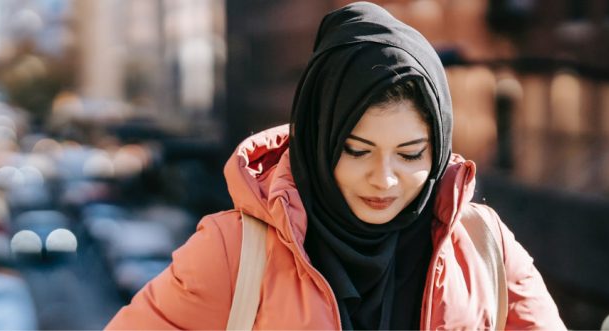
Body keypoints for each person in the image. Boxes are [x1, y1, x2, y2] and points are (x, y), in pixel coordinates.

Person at [105, 2, 566, 330]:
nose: (384, 179)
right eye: (357, 150)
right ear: (318, 142)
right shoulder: (233, 255)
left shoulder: (484, 248)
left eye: (410, 155)